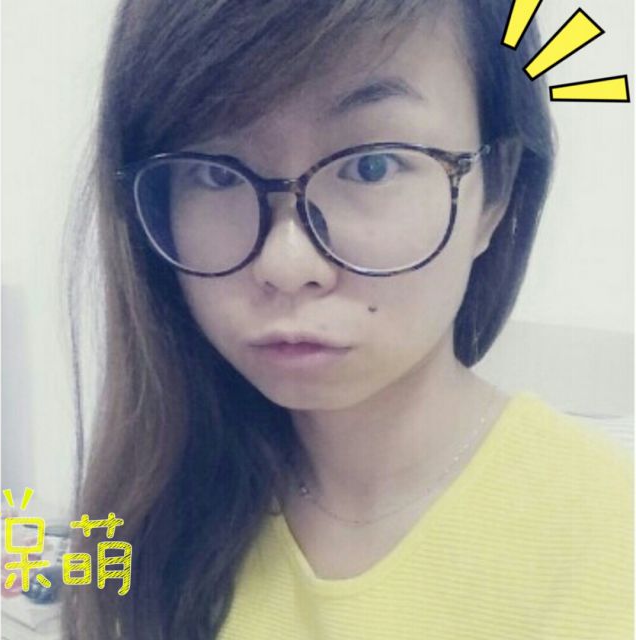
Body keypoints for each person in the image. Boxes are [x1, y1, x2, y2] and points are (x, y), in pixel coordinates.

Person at [61, 0, 632, 638]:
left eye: (371, 165)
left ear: (495, 191)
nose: (286, 263)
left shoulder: (610, 543)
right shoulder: (154, 509)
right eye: (212, 174)